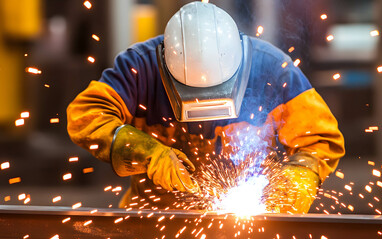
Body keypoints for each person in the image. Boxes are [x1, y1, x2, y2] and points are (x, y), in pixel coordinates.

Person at [67, 1, 345, 214]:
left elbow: (320, 138)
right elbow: (85, 116)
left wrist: (301, 174)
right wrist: (146, 151)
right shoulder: (139, 68)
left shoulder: (274, 70)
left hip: (256, 220)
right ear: (166, 67)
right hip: (154, 217)